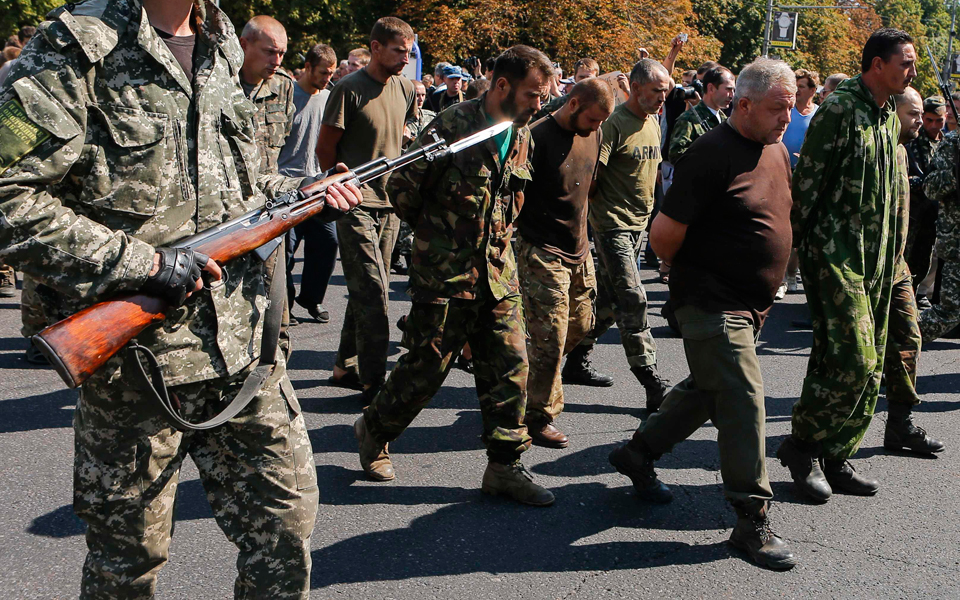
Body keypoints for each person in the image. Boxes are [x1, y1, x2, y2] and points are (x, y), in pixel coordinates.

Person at [0, 0, 362, 596]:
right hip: (134, 369)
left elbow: (233, 190)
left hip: (244, 354)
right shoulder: (75, 49)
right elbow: (7, 196)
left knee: (285, 539)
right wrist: (144, 264)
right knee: (127, 567)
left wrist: (301, 191)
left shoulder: (222, 42)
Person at [608, 57, 798, 571]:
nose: (789, 115)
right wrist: (698, 277)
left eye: (792, 105)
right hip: (711, 302)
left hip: (749, 304)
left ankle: (637, 453)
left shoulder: (775, 148)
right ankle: (751, 517)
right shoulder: (709, 154)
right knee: (741, 396)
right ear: (744, 105)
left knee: (709, 387)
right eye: (779, 108)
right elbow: (663, 237)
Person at [356, 45, 557, 507]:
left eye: (542, 96)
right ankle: (374, 430)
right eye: (532, 94)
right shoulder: (451, 126)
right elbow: (403, 188)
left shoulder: (522, 133)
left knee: (510, 368)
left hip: (497, 274)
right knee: (426, 368)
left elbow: (513, 202)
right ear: (502, 86)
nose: (539, 104)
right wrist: (439, 240)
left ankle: (505, 467)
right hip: (446, 275)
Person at [778, 28, 916, 502]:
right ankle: (800, 445)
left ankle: (835, 453)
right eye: (905, 63)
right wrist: (799, 256)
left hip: (877, 259)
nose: (911, 72)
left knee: (868, 359)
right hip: (836, 255)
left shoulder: (885, 115)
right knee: (853, 357)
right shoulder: (839, 110)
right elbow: (808, 187)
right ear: (876, 64)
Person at [561, 59, 672, 410]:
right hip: (611, 225)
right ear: (635, 88)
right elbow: (591, 178)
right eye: (656, 90)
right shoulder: (613, 125)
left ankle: (573, 360)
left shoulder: (653, 121)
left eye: (665, 90)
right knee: (632, 298)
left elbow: (650, 176)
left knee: (608, 304)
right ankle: (652, 380)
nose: (662, 96)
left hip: (639, 225)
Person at [317, 17, 416, 398]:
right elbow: (326, 148)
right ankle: (375, 383)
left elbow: (403, 132)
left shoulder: (406, 89)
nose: (405, 59)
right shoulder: (348, 89)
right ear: (376, 47)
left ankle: (345, 365)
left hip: (390, 204)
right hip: (353, 202)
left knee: (367, 287)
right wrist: (337, 184)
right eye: (398, 51)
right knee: (374, 292)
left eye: (408, 52)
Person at [517, 78, 615, 448]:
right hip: (541, 247)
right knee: (550, 337)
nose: (597, 127)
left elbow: (587, 186)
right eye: (593, 119)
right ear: (573, 104)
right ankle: (539, 415)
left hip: (579, 246)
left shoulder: (595, 133)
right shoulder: (536, 136)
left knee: (581, 325)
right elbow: (516, 195)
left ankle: (520, 379)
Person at [881, 87, 945, 454]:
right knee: (854, 356)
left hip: (898, 264)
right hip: (863, 267)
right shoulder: (874, 149)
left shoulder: (902, 152)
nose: (920, 122)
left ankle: (900, 424)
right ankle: (817, 440)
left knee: (908, 339)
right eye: (914, 114)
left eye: (925, 116)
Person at [280, 43, 340, 324]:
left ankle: (311, 299)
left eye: (331, 73)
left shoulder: (329, 98)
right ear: (307, 67)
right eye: (323, 72)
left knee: (328, 243)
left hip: (319, 187)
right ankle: (285, 305)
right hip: (286, 188)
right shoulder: (286, 96)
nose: (327, 78)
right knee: (286, 252)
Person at [776, 68, 820, 300]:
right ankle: (781, 278)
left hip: (808, 178)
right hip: (783, 174)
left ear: (813, 90)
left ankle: (792, 274)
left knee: (799, 229)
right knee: (782, 226)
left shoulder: (820, 115)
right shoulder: (786, 111)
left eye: (801, 87)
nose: (796, 91)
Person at [919, 100, 960, 343]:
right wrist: (955, 173)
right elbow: (930, 187)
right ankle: (893, 347)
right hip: (957, 244)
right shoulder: (952, 146)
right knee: (949, 312)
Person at [905, 96, 946, 309]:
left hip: (934, 213)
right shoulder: (912, 142)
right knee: (905, 258)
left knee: (925, 257)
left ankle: (917, 293)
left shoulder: (947, 144)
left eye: (938, 121)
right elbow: (903, 176)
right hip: (912, 212)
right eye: (928, 120)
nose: (933, 126)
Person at [667, 65, 734, 164]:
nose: (732, 95)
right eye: (728, 89)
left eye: (733, 90)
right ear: (711, 88)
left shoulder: (726, 121)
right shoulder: (689, 119)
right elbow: (675, 155)